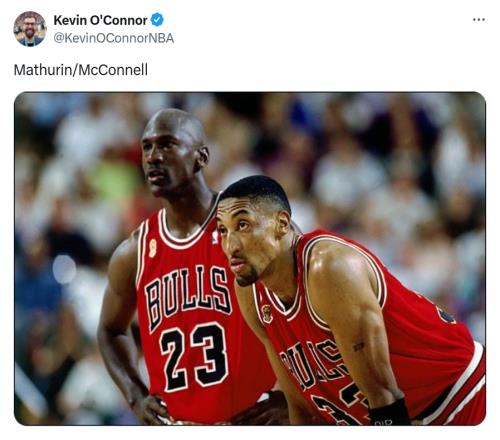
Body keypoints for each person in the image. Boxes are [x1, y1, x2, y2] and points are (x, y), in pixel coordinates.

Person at [215, 175, 485, 425]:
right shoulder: (250, 291)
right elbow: (299, 407)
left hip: (463, 397)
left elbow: (384, 399)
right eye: (223, 230)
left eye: (243, 225)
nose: (230, 246)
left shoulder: (329, 268)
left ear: (281, 224)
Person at [97, 110, 287, 425]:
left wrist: (290, 395)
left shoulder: (250, 225)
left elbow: (307, 305)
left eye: (167, 144)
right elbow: (110, 330)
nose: (153, 157)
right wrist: (135, 394)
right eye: (147, 147)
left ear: (201, 157)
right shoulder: (134, 252)